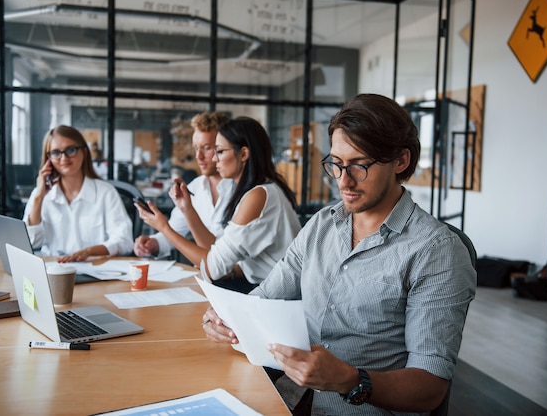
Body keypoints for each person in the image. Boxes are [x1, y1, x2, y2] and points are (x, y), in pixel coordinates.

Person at [201, 94, 476, 415]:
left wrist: (349, 380)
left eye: (360, 165)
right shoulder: (322, 225)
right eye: (336, 164)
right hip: (291, 397)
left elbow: (429, 387)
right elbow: (264, 297)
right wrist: (225, 316)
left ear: (401, 161)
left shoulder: (436, 251)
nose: (344, 181)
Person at [136, 116, 302, 293]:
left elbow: (212, 268)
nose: (214, 159)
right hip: (261, 288)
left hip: (272, 297)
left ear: (244, 154)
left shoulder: (258, 196)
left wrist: (163, 227)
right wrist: (186, 208)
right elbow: (216, 253)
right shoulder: (261, 190)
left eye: (219, 151)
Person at [23, 125, 133, 262]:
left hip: (95, 271)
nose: (64, 158)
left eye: (70, 150)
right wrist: (39, 198)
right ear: (48, 158)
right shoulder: (40, 194)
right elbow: (31, 242)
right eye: (56, 152)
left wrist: (90, 251)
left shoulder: (106, 192)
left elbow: (125, 241)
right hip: (53, 271)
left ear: (84, 152)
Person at [133, 111, 235, 259]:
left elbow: (225, 258)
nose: (198, 156)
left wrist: (164, 227)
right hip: (208, 273)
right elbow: (174, 231)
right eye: (195, 148)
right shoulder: (195, 188)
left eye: (206, 147)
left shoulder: (245, 190)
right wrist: (153, 243)